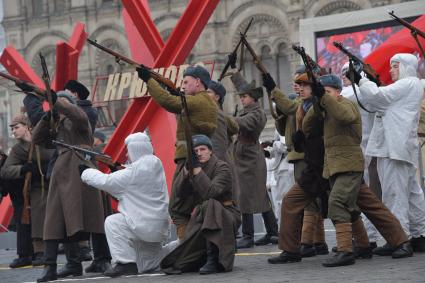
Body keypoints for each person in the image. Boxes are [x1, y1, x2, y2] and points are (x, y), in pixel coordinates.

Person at [137, 65, 218, 240]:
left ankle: (187, 250)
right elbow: (182, 105)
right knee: (192, 205)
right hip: (195, 157)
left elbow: (170, 103)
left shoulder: (197, 101)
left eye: (186, 81)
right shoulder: (205, 101)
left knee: (177, 208)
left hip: (188, 159)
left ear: (198, 83)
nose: (182, 85)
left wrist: (149, 81)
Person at [32, 92, 106, 283]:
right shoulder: (57, 122)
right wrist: (47, 116)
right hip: (62, 171)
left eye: (60, 104)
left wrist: (56, 101)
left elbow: (76, 114)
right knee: (55, 220)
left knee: (90, 216)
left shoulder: (80, 119)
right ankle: (53, 266)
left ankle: (102, 258)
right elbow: (37, 138)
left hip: (80, 168)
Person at [357, 53, 425, 253]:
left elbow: (379, 97)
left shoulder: (408, 84)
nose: (390, 71)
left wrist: (361, 80)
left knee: (394, 195)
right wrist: (370, 82)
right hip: (398, 147)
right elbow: (374, 101)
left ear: (405, 67)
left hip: (393, 148)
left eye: (395, 66)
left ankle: (399, 239)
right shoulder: (412, 85)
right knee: (412, 194)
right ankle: (419, 235)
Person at [80, 132, 172, 277]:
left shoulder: (133, 171)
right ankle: (180, 247)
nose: (127, 155)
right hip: (158, 226)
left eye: (128, 150)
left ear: (135, 149)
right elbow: (131, 186)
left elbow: (105, 181)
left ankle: (125, 263)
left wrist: (86, 172)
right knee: (146, 266)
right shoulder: (155, 163)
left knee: (113, 222)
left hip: (142, 225)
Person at [267, 70, 329, 256]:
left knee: (311, 200)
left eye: (302, 83)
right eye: (296, 83)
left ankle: (307, 243)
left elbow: (290, 107)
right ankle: (315, 242)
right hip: (304, 156)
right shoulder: (302, 104)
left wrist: (272, 90)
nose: (298, 86)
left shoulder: (309, 104)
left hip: (311, 158)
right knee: (313, 200)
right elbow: (283, 124)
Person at [160, 135, 240, 275]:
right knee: (177, 264)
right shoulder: (195, 168)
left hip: (225, 214)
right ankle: (203, 257)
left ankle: (213, 259)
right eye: (195, 150)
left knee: (210, 204)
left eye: (203, 149)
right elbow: (179, 194)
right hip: (203, 217)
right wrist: (185, 172)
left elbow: (211, 193)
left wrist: (197, 171)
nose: (199, 153)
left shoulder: (222, 167)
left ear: (210, 151)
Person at [229, 71, 278, 249]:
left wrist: (224, 118)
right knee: (258, 195)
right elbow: (245, 86)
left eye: (245, 97)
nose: (242, 99)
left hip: (250, 158)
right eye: (241, 96)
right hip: (245, 157)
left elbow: (244, 123)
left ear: (254, 98)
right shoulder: (250, 109)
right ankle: (273, 231)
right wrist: (235, 76)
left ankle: (248, 235)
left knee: (247, 196)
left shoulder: (256, 113)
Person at [1, 115, 53, 268]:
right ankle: (39, 252)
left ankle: (77, 248)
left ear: (27, 127)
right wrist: (22, 169)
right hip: (35, 187)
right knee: (35, 215)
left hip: (53, 183)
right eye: (12, 129)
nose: (14, 131)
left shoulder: (44, 140)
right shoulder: (18, 149)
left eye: (16, 127)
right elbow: (5, 171)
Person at [340, 62, 380, 248]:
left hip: (362, 151)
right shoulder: (366, 91)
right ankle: (366, 237)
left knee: (365, 197)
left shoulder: (353, 93)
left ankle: (369, 238)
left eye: (346, 74)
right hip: (365, 150)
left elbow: (335, 98)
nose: (344, 78)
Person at [207, 80, 240, 203]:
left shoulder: (216, 115)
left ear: (217, 97)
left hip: (219, 166)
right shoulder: (216, 114)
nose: (204, 95)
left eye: (208, 92)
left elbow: (218, 147)